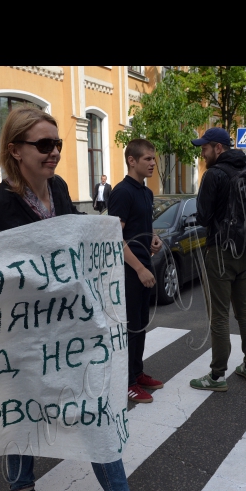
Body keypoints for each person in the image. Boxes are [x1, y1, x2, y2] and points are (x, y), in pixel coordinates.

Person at [0, 106, 175, 491]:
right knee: (26, 413)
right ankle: (21, 485)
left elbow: (72, 238)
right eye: (43, 145)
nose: (54, 153)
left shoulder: (58, 189)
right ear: (15, 151)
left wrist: (108, 236)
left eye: (57, 144)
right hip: (22, 338)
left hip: (68, 335)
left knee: (95, 413)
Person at [188, 127, 246, 392]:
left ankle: (218, 376)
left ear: (218, 148)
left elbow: (204, 217)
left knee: (219, 316)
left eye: (205, 149)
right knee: (245, 311)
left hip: (220, 251)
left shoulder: (214, 175)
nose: (202, 154)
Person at [107, 139, 164, 404]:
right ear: (132, 160)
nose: (153, 163)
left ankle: (138, 373)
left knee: (141, 325)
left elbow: (142, 224)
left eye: (154, 159)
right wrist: (140, 268)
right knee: (129, 328)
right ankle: (127, 382)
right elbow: (115, 238)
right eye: (148, 159)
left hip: (143, 264)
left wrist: (153, 237)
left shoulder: (146, 191)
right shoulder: (122, 192)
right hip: (129, 271)